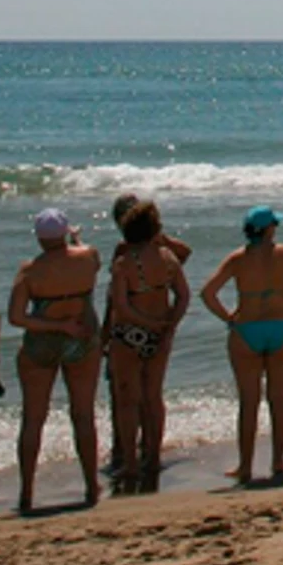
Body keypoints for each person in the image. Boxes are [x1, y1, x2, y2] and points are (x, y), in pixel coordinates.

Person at [200, 206, 283, 485]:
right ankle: (278, 462)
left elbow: (207, 293)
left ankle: (245, 466)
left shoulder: (237, 259)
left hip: (246, 329)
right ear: (269, 229)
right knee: (278, 397)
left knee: (249, 402)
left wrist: (228, 318)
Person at [9, 208, 104, 512]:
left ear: (39, 237)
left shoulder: (29, 270)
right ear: (65, 233)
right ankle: (91, 485)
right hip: (81, 337)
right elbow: (93, 261)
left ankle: (26, 491)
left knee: (33, 419)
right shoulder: (87, 257)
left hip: (43, 341)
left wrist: (57, 326)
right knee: (83, 414)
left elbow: (16, 317)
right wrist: (78, 239)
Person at [104, 193, 192, 476]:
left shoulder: (123, 260)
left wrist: (140, 324)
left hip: (129, 333)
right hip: (160, 332)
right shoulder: (166, 257)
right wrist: (168, 325)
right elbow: (183, 296)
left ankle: (129, 462)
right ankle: (152, 458)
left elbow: (119, 304)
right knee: (153, 397)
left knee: (127, 398)